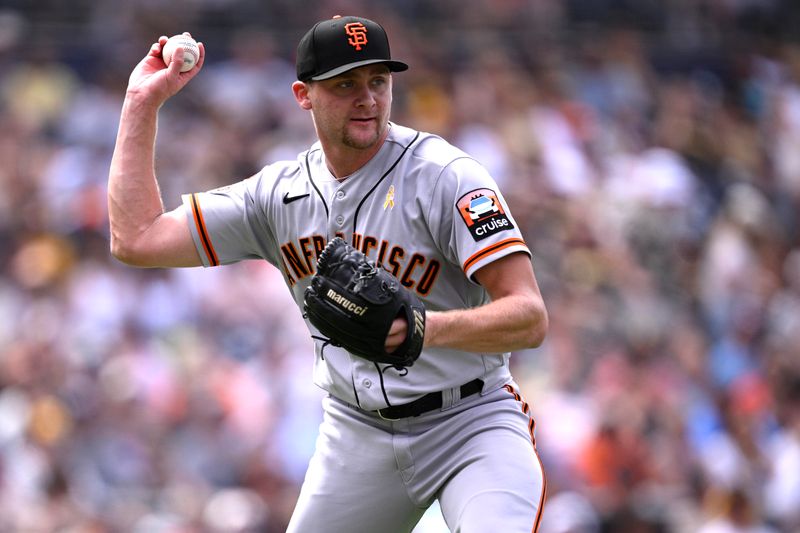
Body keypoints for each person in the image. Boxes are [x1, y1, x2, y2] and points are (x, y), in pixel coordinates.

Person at [108, 15, 548, 532]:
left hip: (471, 424)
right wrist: (141, 105)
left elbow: (530, 316)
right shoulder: (277, 196)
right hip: (356, 433)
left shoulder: (447, 176)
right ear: (304, 95)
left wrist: (425, 329)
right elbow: (135, 239)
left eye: (377, 81)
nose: (367, 98)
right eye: (345, 84)